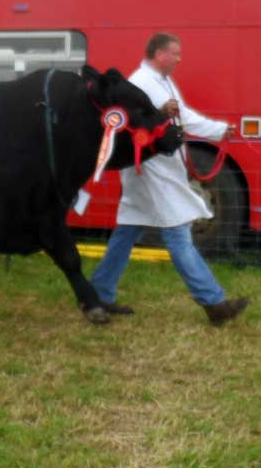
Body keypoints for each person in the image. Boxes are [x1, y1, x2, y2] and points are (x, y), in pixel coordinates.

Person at [88, 33, 249, 326]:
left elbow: (180, 116)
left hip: (151, 170)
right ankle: (214, 302)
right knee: (178, 236)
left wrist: (217, 130)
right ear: (160, 53)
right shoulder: (145, 82)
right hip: (152, 171)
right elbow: (172, 120)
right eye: (175, 53)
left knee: (125, 236)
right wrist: (218, 129)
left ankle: (97, 293)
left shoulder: (159, 81)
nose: (179, 58)